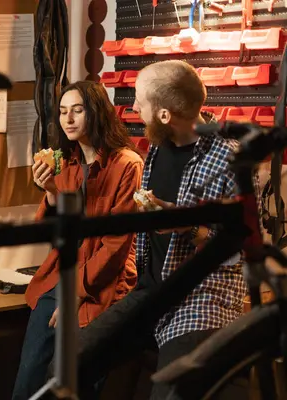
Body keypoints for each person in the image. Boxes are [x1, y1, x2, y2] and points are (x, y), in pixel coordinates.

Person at [67, 60, 251, 399]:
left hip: (198, 299)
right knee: (68, 366)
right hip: (150, 292)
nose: (133, 108)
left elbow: (240, 253)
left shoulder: (231, 161)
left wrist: (184, 225)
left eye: (139, 100)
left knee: (171, 392)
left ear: (165, 114)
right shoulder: (157, 147)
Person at [11, 80, 144, 400]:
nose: (68, 119)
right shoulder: (64, 164)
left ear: (96, 112)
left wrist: (76, 295)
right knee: (28, 383)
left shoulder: (127, 164)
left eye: (78, 110)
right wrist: (51, 193)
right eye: (62, 112)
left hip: (103, 286)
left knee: (73, 386)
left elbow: (116, 246)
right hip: (60, 279)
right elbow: (57, 237)